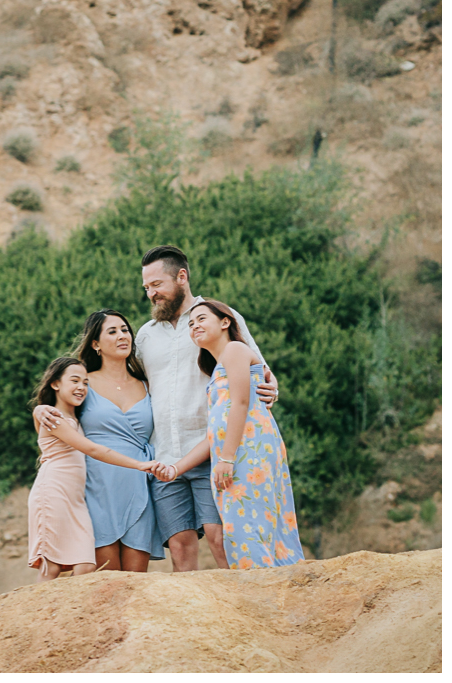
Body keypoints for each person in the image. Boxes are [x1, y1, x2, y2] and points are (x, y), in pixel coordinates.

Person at [135, 245, 279, 572]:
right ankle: (194, 623)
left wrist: (273, 389)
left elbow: (257, 368)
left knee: (220, 538)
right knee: (180, 548)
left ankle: (245, 613)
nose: (151, 293)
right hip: (165, 456)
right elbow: (136, 387)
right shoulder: (145, 335)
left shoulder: (213, 316)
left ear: (181, 277)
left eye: (156, 284)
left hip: (212, 450)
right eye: (146, 287)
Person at [161, 299, 304, 569]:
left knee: (247, 527)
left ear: (225, 322)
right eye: (191, 324)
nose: (194, 326)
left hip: (248, 451)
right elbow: (213, 435)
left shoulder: (235, 349)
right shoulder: (216, 369)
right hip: (233, 453)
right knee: (240, 528)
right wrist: (175, 469)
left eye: (201, 319)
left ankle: (266, 591)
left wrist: (226, 458)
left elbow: (240, 402)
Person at [29, 356, 162, 581]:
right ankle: (39, 615)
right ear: (55, 383)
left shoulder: (72, 417)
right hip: (53, 492)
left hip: (77, 499)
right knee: (51, 566)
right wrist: (139, 465)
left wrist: (38, 410)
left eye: (85, 382)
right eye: (74, 381)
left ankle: (67, 610)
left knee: (87, 566)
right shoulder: (55, 418)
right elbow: (94, 450)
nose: (81, 388)